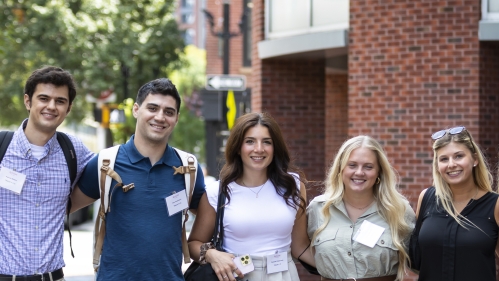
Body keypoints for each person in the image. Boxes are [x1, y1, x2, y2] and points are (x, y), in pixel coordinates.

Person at [69, 78, 206, 280]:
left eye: (169, 112)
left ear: (176, 118)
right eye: (152, 108)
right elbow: (60, 209)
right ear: (136, 110)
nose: (160, 117)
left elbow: (212, 225)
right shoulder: (106, 163)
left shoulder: (189, 168)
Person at [188, 112, 311, 281]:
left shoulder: (293, 187)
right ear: (238, 148)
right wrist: (212, 255)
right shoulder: (217, 192)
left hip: (284, 275)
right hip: (237, 275)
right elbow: (193, 243)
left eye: (267, 142)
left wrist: (342, 269)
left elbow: (301, 247)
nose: (259, 149)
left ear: (275, 148)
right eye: (250, 141)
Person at [0, 66, 94, 280]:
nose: (51, 106)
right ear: (27, 101)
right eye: (43, 98)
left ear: (68, 108)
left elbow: (108, 173)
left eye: (60, 101)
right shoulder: (2, 147)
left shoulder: (73, 149)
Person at [307, 135, 415, 281]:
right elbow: (298, 249)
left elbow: (420, 262)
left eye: (368, 167)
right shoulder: (318, 208)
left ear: (379, 172)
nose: (359, 172)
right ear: (341, 169)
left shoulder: (398, 210)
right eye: (352, 165)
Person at [415, 126, 498, 281]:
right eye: (444, 159)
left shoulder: (495, 205)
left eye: (459, 156)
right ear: (437, 165)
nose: (451, 164)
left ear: (474, 159)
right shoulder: (426, 198)